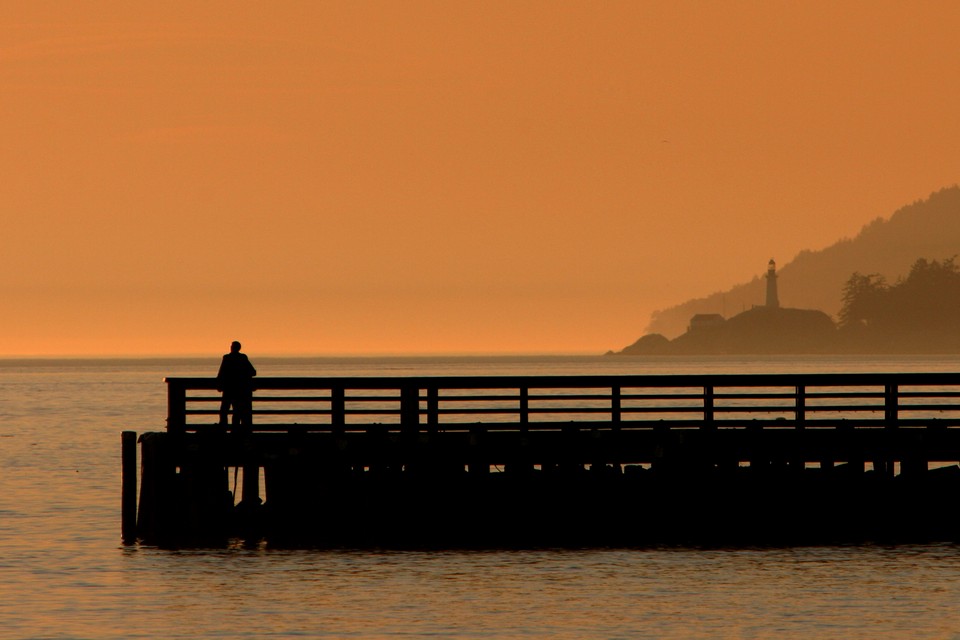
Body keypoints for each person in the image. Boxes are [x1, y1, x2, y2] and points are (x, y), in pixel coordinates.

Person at [217, 341, 257, 430]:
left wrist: (219, 384)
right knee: (237, 411)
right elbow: (253, 372)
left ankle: (223, 430)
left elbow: (221, 373)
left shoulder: (227, 358)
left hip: (228, 389)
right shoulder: (243, 358)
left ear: (232, 347)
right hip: (240, 390)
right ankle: (235, 431)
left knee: (224, 411)